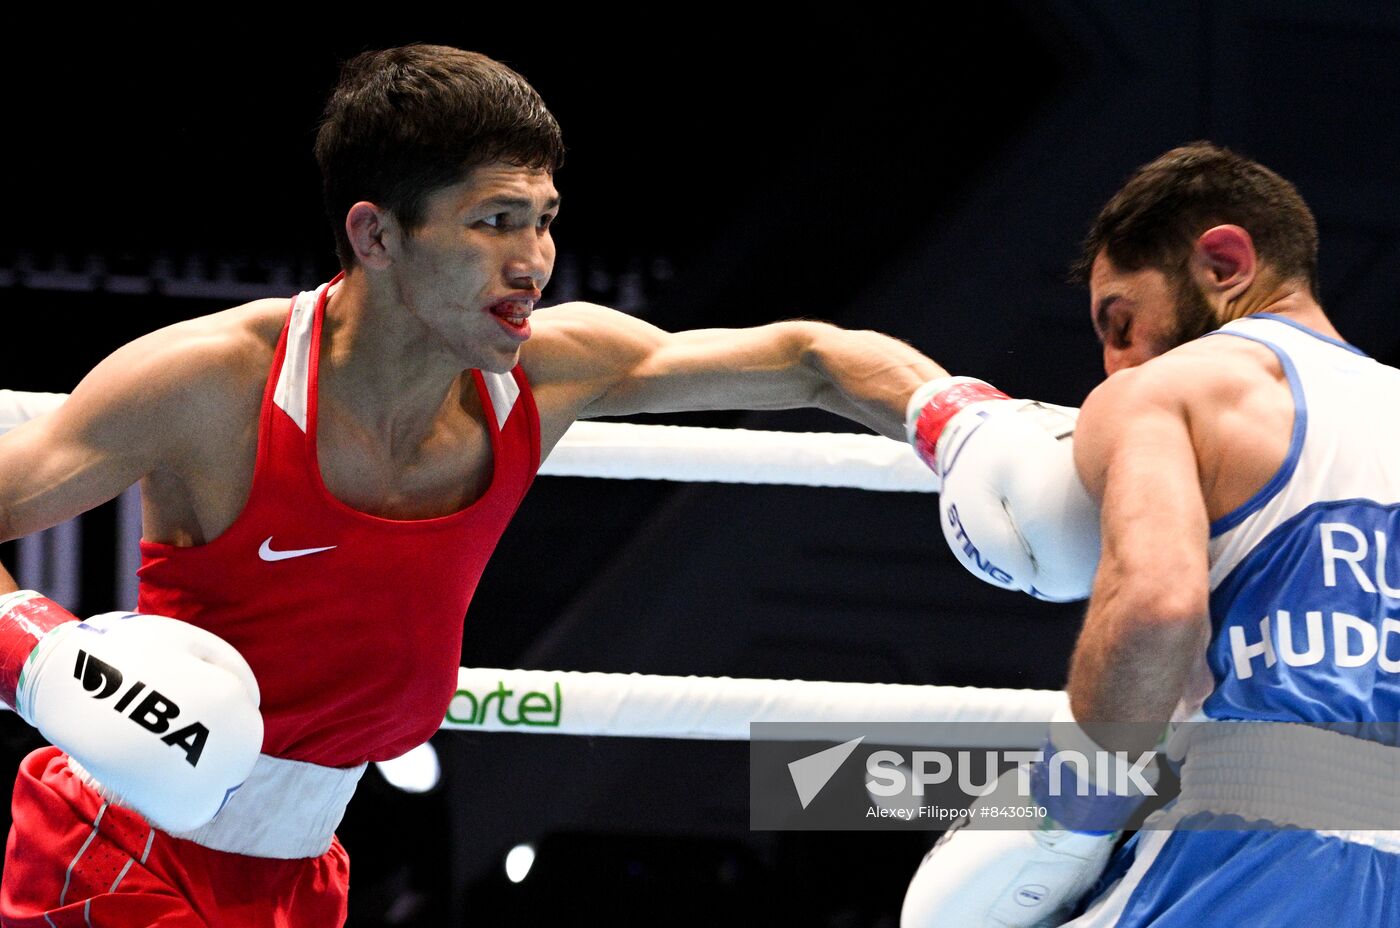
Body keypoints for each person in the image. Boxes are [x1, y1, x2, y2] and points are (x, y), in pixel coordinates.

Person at [0, 45, 948, 926]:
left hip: (304, 868)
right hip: (116, 852)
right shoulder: (211, 385)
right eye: (495, 221)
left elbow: (809, 360)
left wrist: (966, 422)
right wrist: (39, 661)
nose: (533, 259)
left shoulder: (550, 372)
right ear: (374, 235)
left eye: (543, 221)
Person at [901, 142, 1400, 925]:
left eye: (1121, 321)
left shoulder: (1165, 391)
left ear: (1225, 261)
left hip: (1250, 840)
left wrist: (1063, 818)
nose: (1112, 362)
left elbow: (1159, 606)